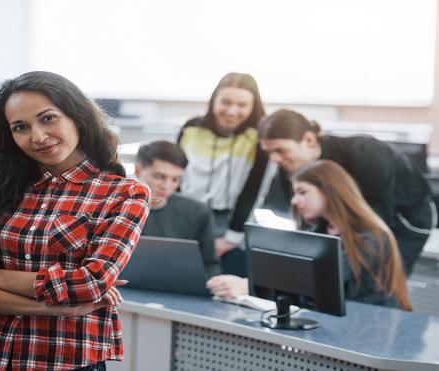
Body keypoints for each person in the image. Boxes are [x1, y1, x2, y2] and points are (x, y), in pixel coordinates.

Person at [0, 71, 150, 371]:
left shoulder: (123, 193)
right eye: (21, 127)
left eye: (48, 118)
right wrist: (52, 309)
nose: (38, 137)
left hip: (65, 361)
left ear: (77, 116)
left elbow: (91, 283)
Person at [209, 160, 412, 311]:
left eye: (302, 192)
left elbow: (320, 280)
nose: (295, 201)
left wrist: (248, 286)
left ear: (330, 191)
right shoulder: (320, 232)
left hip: (366, 330)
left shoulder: (371, 235)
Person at [258, 109, 434, 275]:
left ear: (309, 140)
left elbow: (377, 225)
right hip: (344, 222)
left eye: (281, 150)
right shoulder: (289, 167)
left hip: (402, 219)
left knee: (380, 281)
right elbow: (306, 224)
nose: (274, 159)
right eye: (269, 152)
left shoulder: (365, 154)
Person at [177, 72, 268, 277]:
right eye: (225, 102)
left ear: (253, 106)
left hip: (229, 222)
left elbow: (253, 190)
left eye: (242, 105)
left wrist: (231, 237)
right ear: (214, 100)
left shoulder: (258, 138)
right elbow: (175, 177)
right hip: (186, 216)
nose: (232, 111)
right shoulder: (191, 128)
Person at [134, 140, 220, 278]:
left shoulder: (198, 213)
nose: (166, 186)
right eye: (159, 177)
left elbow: (210, 265)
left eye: (175, 179)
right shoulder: (115, 207)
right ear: (138, 171)